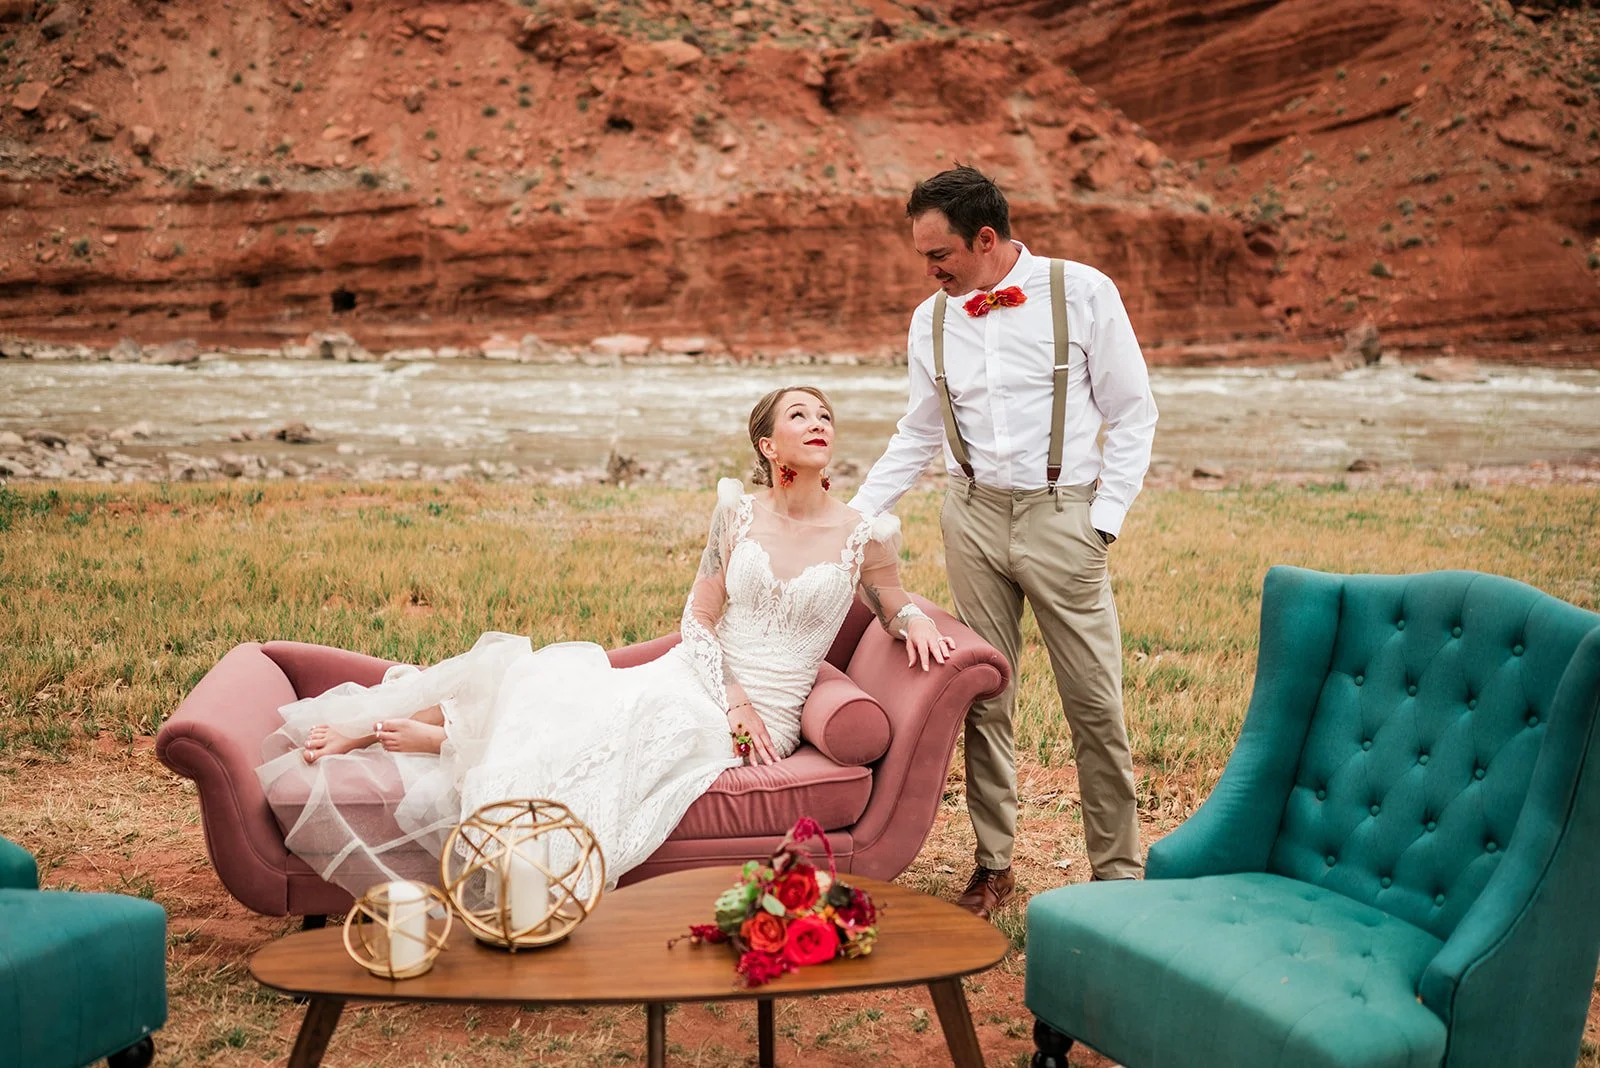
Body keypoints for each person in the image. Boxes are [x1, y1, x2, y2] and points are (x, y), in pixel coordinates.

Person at [257, 386, 955, 896]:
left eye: (826, 413)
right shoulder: (736, 515)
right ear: (768, 447)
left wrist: (916, 621)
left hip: (770, 712)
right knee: (555, 685)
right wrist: (730, 692)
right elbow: (698, 619)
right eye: (799, 415)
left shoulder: (866, 532)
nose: (819, 422)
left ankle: (437, 741)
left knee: (628, 727)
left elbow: (891, 602)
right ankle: (403, 729)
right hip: (706, 674)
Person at [851, 166, 1159, 919]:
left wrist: (1104, 518)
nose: (929, 271)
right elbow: (919, 429)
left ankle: (1116, 875)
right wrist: (855, 516)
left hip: (1065, 515)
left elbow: (1134, 410)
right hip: (972, 517)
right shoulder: (931, 320)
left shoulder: (1084, 292)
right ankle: (994, 865)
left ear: (985, 239)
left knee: (1094, 701)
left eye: (939, 255)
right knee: (984, 695)